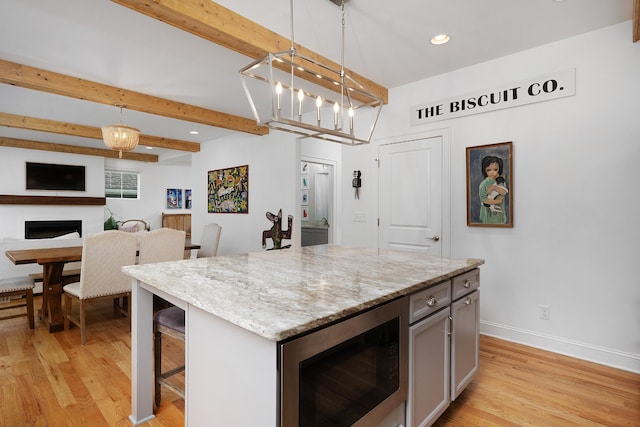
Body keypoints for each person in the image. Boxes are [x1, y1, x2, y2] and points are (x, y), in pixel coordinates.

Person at [479, 155, 508, 224]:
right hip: (487, 216)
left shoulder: (500, 181)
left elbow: (504, 192)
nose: (492, 172)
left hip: (500, 216)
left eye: (495, 170)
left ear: (499, 170)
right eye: (489, 170)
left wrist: (494, 187)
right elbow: (484, 199)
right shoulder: (483, 184)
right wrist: (496, 202)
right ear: (484, 170)